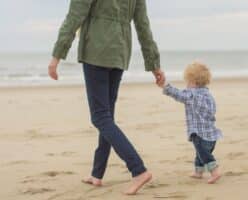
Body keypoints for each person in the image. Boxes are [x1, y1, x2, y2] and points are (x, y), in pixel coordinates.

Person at [48, 0, 165, 195]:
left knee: (100, 117)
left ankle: (138, 170)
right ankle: (97, 173)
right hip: (119, 53)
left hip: (96, 51)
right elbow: (143, 25)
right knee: (106, 116)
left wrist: (56, 56)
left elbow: (75, 17)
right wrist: (154, 64)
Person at [158, 62, 222, 184]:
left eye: (187, 81)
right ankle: (198, 172)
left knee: (204, 154)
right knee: (200, 154)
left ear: (193, 81)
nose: (186, 85)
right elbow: (212, 110)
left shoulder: (191, 94)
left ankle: (215, 171)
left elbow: (178, 94)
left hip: (199, 134)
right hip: (212, 135)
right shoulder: (208, 94)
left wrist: (165, 87)